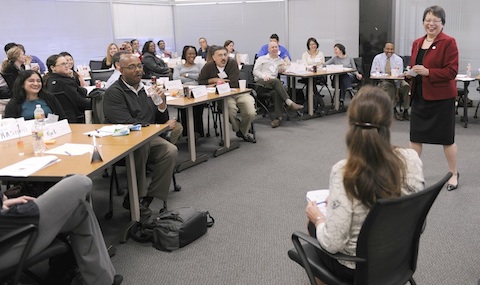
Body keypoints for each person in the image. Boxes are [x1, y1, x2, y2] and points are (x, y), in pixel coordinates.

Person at [305, 86, 424, 284]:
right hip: (399, 257)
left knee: (311, 223)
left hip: (355, 266)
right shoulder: (411, 159)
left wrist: (318, 219)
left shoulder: (345, 172)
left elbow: (333, 243)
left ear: (350, 124)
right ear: (390, 124)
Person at [0, 175, 123, 285]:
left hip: (7, 223)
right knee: (79, 182)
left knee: (81, 210)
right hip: (9, 237)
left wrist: (4, 202)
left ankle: (101, 281)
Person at [103, 53, 178, 215]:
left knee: (170, 150)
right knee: (142, 146)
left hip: (147, 137)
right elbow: (128, 124)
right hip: (122, 141)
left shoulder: (147, 89)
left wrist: (162, 104)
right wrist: (160, 127)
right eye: (132, 67)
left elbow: (160, 118)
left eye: (139, 66)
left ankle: (149, 197)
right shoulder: (114, 93)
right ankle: (134, 197)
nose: (138, 70)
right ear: (121, 70)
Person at [406, 5, 459, 191]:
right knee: (415, 138)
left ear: (442, 23)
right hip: (420, 96)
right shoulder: (417, 43)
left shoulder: (449, 42)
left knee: (447, 139)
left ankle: (453, 174)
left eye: (435, 21)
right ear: (423, 23)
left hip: (441, 99)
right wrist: (409, 74)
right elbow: (415, 67)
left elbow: (451, 71)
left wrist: (428, 72)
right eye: (428, 20)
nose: (431, 24)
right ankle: (412, 175)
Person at [198, 46, 256, 143]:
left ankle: (242, 130)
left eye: (225, 55)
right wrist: (214, 80)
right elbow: (200, 81)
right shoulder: (208, 66)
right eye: (220, 55)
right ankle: (241, 131)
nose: (223, 58)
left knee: (250, 112)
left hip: (239, 93)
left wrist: (216, 84)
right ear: (214, 58)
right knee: (230, 110)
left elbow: (233, 82)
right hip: (223, 96)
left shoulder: (232, 63)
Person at [253, 41, 303, 128]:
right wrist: (263, 76)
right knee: (276, 81)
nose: (274, 49)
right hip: (261, 84)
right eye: (272, 47)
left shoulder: (280, 60)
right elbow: (255, 71)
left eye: (276, 47)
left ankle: (278, 118)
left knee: (276, 92)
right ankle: (289, 102)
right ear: (268, 49)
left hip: (272, 85)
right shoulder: (262, 59)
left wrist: (283, 68)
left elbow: (285, 67)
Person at [44, 54, 91, 123]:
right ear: (53, 68)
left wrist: (71, 78)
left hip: (57, 119)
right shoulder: (64, 83)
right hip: (73, 119)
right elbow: (80, 101)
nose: (67, 66)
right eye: (63, 64)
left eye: (67, 63)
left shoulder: (48, 80)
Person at [371, 42, 410, 120]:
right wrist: (382, 75)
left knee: (406, 86)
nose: (390, 51)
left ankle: (406, 110)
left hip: (397, 80)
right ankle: (393, 109)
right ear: (384, 49)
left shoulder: (398, 59)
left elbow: (400, 73)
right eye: (388, 49)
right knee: (389, 86)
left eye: (392, 49)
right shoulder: (378, 58)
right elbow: (373, 72)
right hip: (384, 80)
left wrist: (397, 82)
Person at [173, 45, 205, 137]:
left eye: (194, 54)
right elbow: (176, 79)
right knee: (185, 109)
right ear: (185, 55)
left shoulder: (200, 65)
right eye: (189, 54)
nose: (192, 56)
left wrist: (186, 75)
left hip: (198, 92)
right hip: (183, 92)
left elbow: (201, 77)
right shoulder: (178, 67)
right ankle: (187, 132)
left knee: (197, 109)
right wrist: (194, 78)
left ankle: (197, 132)